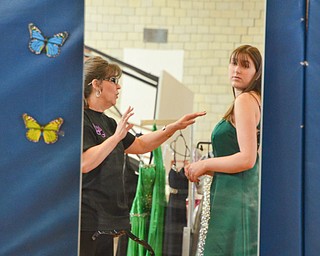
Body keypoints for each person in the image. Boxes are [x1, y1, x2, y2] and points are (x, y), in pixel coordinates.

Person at [80, 56, 206, 256]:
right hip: (87, 221)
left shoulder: (109, 123)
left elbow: (140, 145)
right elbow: (85, 162)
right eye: (113, 80)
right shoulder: (82, 120)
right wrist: (116, 138)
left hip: (106, 220)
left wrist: (172, 128)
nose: (118, 87)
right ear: (96, 84)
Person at [185, 45, 262, 256]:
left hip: (236, 197)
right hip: (238, 190)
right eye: (234, 63)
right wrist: (206, 168)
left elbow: (247, 158)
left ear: (258, 73)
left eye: (245, 65)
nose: (237, 69)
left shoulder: (246, 100)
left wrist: (205, 163)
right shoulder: (254, 100)